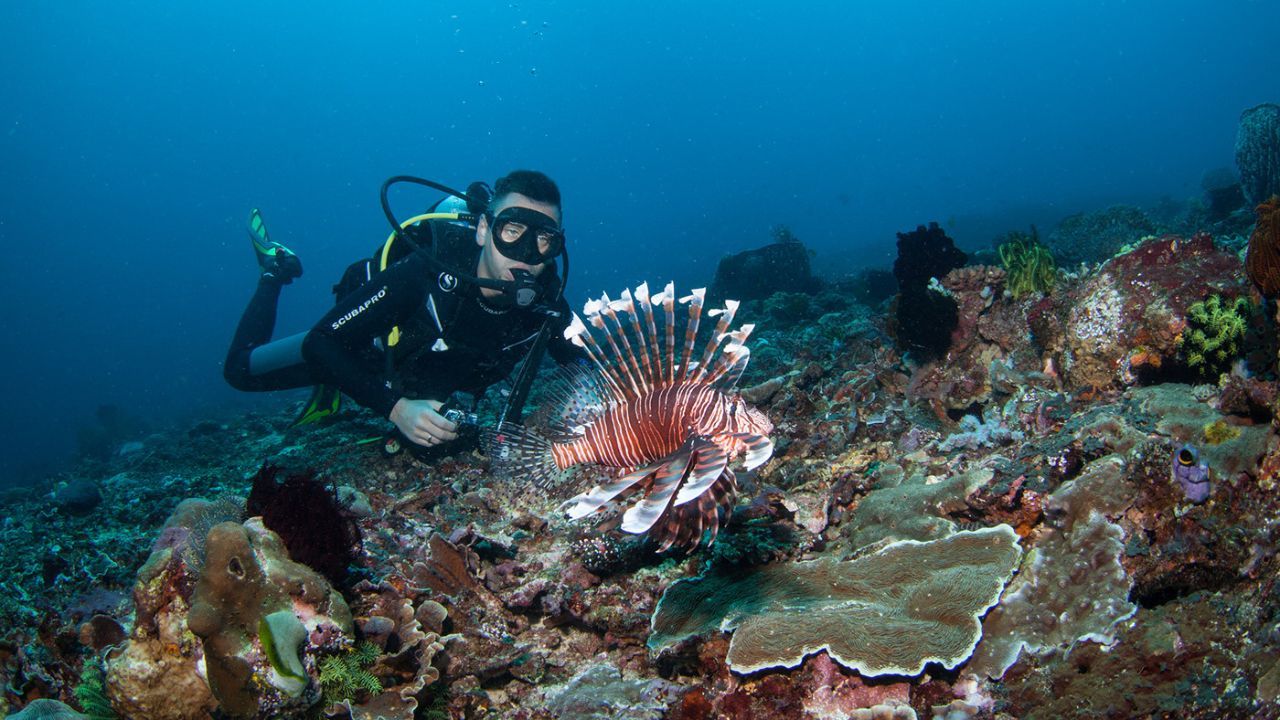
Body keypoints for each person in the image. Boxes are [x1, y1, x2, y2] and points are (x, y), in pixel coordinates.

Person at [223, 170, 582, 450]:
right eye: (512, 230)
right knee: (240, 371)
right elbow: (320, 342)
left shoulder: (546, 304)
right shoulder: (428, 269)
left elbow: (581, 366)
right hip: (364, 351)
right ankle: (275, 270)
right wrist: (397, 410)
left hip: (425, 373)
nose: (527, 253)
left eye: (544, 239)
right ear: (484, 230)